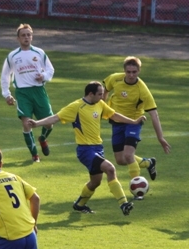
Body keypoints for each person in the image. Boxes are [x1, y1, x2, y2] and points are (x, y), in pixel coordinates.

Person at [30, 82, 144, 216]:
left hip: (98, 148)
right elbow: (56, 118)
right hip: (85, 150)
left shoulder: (100, 104)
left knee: (95, 182)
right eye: (100, 94)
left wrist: (133, 121)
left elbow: (113, 115)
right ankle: (123, 204)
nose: (102, 97)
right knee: (110, 169)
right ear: (91, 94)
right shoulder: (76, 106)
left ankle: (79, 204)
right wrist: (36, 123)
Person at [102, 57, 171, 195]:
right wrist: (102, 106)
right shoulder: (115, 79)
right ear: (124, 71)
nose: (131, 75)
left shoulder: (142, 89)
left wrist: (161, 138)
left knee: (128, 155)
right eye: (128, 72)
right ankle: (148, 163)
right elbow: (105, 89)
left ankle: (138, 191)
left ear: (139, 71)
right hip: (116, 121)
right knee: (121, 160)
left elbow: (154, 115)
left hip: (134, 122)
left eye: (134, 72)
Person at [0, 24, 55, 163]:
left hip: (39, 91)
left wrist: (43, 76)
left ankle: (42, 138)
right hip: (23, 93)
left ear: (32, 37)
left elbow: (50, 69)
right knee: (26, 124)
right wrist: (7, 94)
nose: (26, 37)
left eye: (28, 35)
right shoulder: (13, 56)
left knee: (49, 123)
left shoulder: (39, 53)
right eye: (23, 35)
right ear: (18, 38)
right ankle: (35, 155)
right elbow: (5, 75)